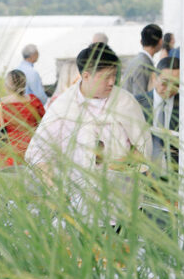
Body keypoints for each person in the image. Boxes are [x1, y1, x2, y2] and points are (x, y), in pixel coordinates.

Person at [25, 43, 152, 215]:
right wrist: (55, 189)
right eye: (105, 77)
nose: (111, 82)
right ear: (86, 75)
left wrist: (123, 163)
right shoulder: (63, 107)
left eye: (114, 75)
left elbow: (143, 148)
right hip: (77, 205)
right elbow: (38, 153)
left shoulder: (125, 102)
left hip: (123, 203)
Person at [0, 68, 45, 167]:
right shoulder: (33, 101)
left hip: (5, 153)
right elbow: (43, 122)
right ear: (24, 84)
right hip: (30, 151)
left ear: (6, 85)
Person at [121, 23, 163, 120]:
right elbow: (140, 98)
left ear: (141, 41)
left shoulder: (138, 60)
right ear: (160, 42)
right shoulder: (143, 64)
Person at [150, 56, 180, 173]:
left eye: (176, 84)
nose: (169, 89)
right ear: (154, 78)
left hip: (175, 173)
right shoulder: (138, 103)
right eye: (164, 83)